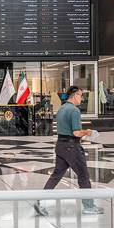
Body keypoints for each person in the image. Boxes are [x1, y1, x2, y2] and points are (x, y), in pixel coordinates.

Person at [34, 86, 104, 216]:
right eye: (81, 95)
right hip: (72, 147)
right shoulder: (74, 110)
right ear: (75, 95)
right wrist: (88, 132)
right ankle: (89, 206)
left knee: (56, 175)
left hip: (60, 145)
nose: (82, 99)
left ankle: (40, 202)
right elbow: (76, 132)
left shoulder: (61, 109)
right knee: (83, 176)